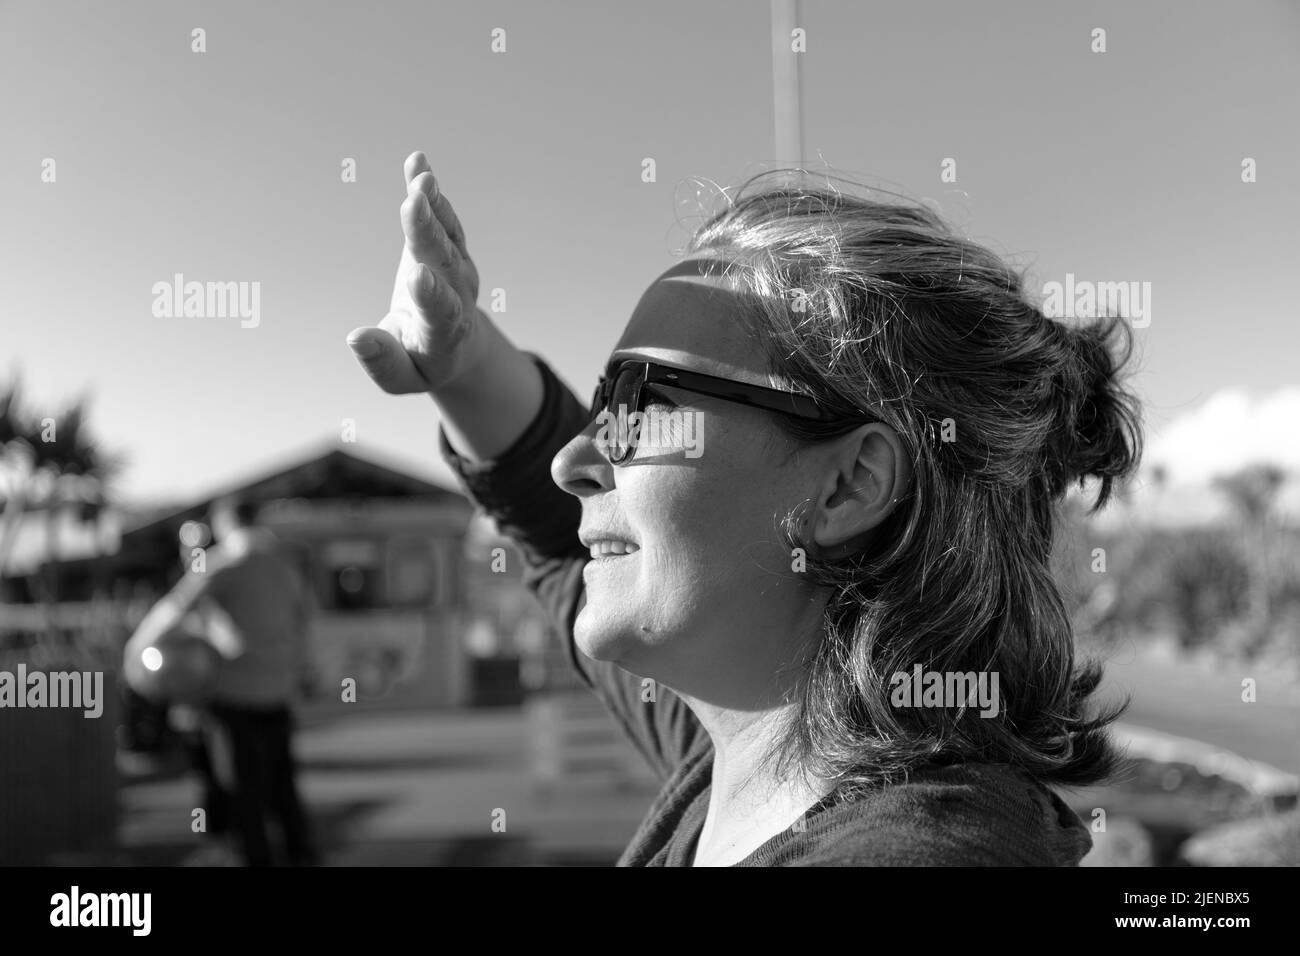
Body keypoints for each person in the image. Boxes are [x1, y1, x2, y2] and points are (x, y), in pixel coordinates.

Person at [346, 152, 1143, 866]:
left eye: (638, 401)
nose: (572, 461)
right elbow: (569, 549)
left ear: (847, 486)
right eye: (599, 404)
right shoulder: (754, 748)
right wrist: (460, 361)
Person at [139, 496, 318, 866]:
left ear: (225, 523)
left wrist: (138, 649)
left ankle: (257, 858)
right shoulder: (285, 565)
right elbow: (306, 624)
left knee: (242, 790)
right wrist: (305, 671)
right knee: (282, 786)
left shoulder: (224, 564)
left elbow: (174, 610)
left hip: (234, 695)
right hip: (277, 692)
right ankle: (301, 854)